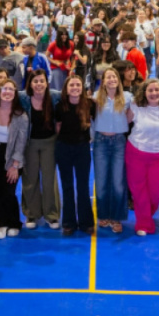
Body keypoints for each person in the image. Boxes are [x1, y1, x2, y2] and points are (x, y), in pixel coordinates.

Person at [124, 79, 159, 236]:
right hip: (136, 154)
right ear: (144, 93)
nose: (154, 93)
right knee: (139, 190)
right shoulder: (136, 106)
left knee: (156, 191)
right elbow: (123, 121)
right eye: (150, 90)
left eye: (157, 90)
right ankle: (143, 223)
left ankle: (146, 215)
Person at [0, 79, 28, 239]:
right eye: (5, 89)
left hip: (11, 157)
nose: (8, 92)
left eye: (11, 89)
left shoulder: (20, 116)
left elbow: (21, 143)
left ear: (15, 94)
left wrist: (15, 165)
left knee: (9, 192)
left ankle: (15, 223)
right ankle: (2, 224)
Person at [19, 70, 61, 229]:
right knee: (30, 179)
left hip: (50, 142)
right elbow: (5, 95)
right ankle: (32, 213)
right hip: (30, 143)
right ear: (30, 83)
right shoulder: (23, 97)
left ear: (47, 82)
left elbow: (74, 95)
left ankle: (52, 214)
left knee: (50, 179)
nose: (38, 84)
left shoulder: (55, 96)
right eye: (35, 81)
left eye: (41, 81)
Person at [55, 75, 96, 235]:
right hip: (64, 148)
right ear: (66, 88)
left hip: (82, 149)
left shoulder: (89, 105)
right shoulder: (60, 106)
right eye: (71, 85)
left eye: (78, 85)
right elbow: (58, 126)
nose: (75, 88)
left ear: (82, 87)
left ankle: (86, 222)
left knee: (83, 185)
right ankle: (69, 222)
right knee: (67, 186)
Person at [93, 68, 132, 234]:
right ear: (103, 81)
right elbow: (90, 117)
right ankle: (104, 215)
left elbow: (132, 115)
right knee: (101, 182)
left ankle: (117, 217)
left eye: (114, 76)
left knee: (118, 182)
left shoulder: (128, 98)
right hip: (100, 141)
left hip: (118, 142)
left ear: (118, 80)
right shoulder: (95, 97)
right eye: (108, 76)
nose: (111, 79)